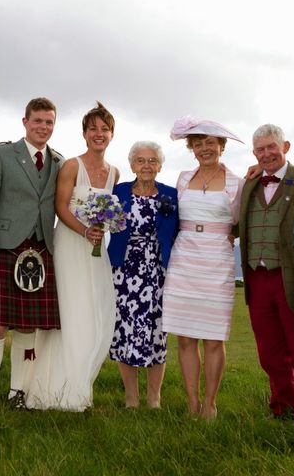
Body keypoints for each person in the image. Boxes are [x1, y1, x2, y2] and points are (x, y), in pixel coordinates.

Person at [27, 102, 120, 411]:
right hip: (69, 245)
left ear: (111, 135)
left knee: (94, 313)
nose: (98, 134)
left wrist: (101, 229)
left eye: (104, 129)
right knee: (70, 312)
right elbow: (61, 207)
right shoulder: (71, 166)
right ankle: (50, 390)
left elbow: (108, 214)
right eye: (92, 128)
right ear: (84, 133)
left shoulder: (114, 172)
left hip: (95, 251)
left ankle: (80, 385)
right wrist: (84, 231)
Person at [0, 97, 63, 410]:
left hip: (40, 250)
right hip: (4, 247)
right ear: (25, 122)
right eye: (37, 121)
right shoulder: (0, 154)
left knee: (28, 325)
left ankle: (17, 394)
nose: (43, 127)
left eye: (49, 122)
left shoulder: (58, 161)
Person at [161, 117, 244, 420]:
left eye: (210, 142)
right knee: (184, 337)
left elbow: (240, 223)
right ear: (191, 148)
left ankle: (210, 402)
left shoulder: (237, 182)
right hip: (184, 259)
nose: (204, 148)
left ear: (221, 146)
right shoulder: (183, 179)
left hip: (217, 260)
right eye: (198, 143)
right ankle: (192, 401)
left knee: (213, 338)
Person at [238, 124, 294, 419]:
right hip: (256, 278)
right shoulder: (249, 182)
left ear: (285, 146)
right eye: (260, 149)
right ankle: (281, 406)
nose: (266, 153)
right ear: (254, 153)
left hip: (292, 276)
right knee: (269, 352)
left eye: (271, 147)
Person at [107, 141, 179, 408]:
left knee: (157, 332)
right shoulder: (119, 192)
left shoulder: (171, 194)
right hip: (123, 271)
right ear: (132, 165)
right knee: (124, 330)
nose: (146, 165)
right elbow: (100, 219)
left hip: (158, 272)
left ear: (160, 165)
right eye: (140, 160)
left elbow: (180, 230)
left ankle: (154, 398)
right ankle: (131, 398)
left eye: (152, 160)